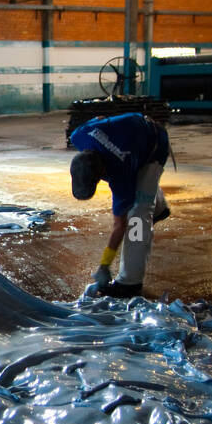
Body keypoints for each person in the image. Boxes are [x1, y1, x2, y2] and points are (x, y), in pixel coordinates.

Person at [68, 111, 170, 298]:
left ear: (103, 173)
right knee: (141, 187)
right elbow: (98, 118)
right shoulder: (80, 136)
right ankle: (159, 207)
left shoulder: (121, 176)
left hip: (154, 146)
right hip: (135, 131)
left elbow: (120, 225)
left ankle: (130, 282)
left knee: (137, 217)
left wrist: (105, 264)